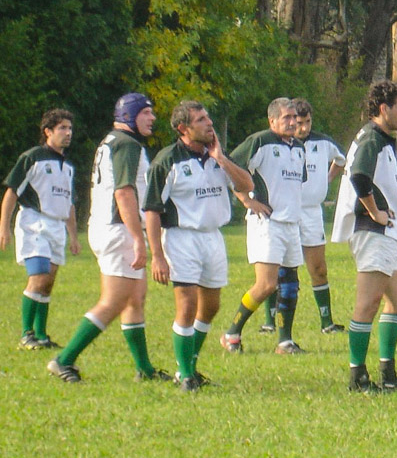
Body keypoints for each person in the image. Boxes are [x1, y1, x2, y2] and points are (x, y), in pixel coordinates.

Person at [49, 93, 173, 383]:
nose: (152, 118)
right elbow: (123, 193)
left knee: (135, 299)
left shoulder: (113, 141)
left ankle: (144, 369)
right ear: (129, 115)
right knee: (114, 301)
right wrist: (138, 238)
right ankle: (64, 359)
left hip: (110, 227)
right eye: (146, 113)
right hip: (119, 229)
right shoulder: (126, 144)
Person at [143, 101, 254, 390]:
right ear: (183, 128)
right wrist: (156, 256)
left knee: (211, 307)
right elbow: (152, 210)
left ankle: (189, 367)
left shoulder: (217, 156)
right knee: (187, 306)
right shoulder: (168, 161)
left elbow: (247, 185)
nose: (209, 124)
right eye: (201, 120)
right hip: (182, 238)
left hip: (213, 237)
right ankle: (186, 374)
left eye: (209, 118)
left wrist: (222, 159)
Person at [331, 80, 397, 393]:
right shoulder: (371, 139)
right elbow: (358, 176)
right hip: (371, 230)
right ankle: (357, 376)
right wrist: (374, 210)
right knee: (368, 304)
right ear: (384, 109)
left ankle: (387, 373)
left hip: (384, 233)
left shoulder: (384, 139)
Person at [220, 97, 307, 355]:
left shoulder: (299, 147)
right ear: (272, 121)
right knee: (267, 285)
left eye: (294, 117)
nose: (292, 122)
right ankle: (231, 333)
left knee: (290, 283)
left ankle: (284, 341)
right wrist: (247, 200)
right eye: (286, 118)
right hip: (267, 223)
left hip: (291, 223)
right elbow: (230, 168)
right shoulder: (260, 142)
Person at [2, 109, 79, 350]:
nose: (68, 133)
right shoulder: (32, 158)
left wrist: (74, 236)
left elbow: (70, 203)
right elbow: (12, 192)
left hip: (57, 226)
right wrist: (4, 227)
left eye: (69, 128)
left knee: (49, 281)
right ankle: (27, 334)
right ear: (48, 131)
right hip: (34, 222)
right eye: (62, 128)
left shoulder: (68, 167)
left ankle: (42, 335)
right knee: (38, 277)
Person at [279, 98, 347, 335]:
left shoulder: (322, 142)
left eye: (307, 122)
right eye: (299, 123)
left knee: (318, 268)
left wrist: (327, 179)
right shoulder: (280, 144)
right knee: (281, 268)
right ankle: (270, 322)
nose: (304, 128)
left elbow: (342, 160)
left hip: (312, 213)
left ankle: (327, 322)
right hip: (286, 211)